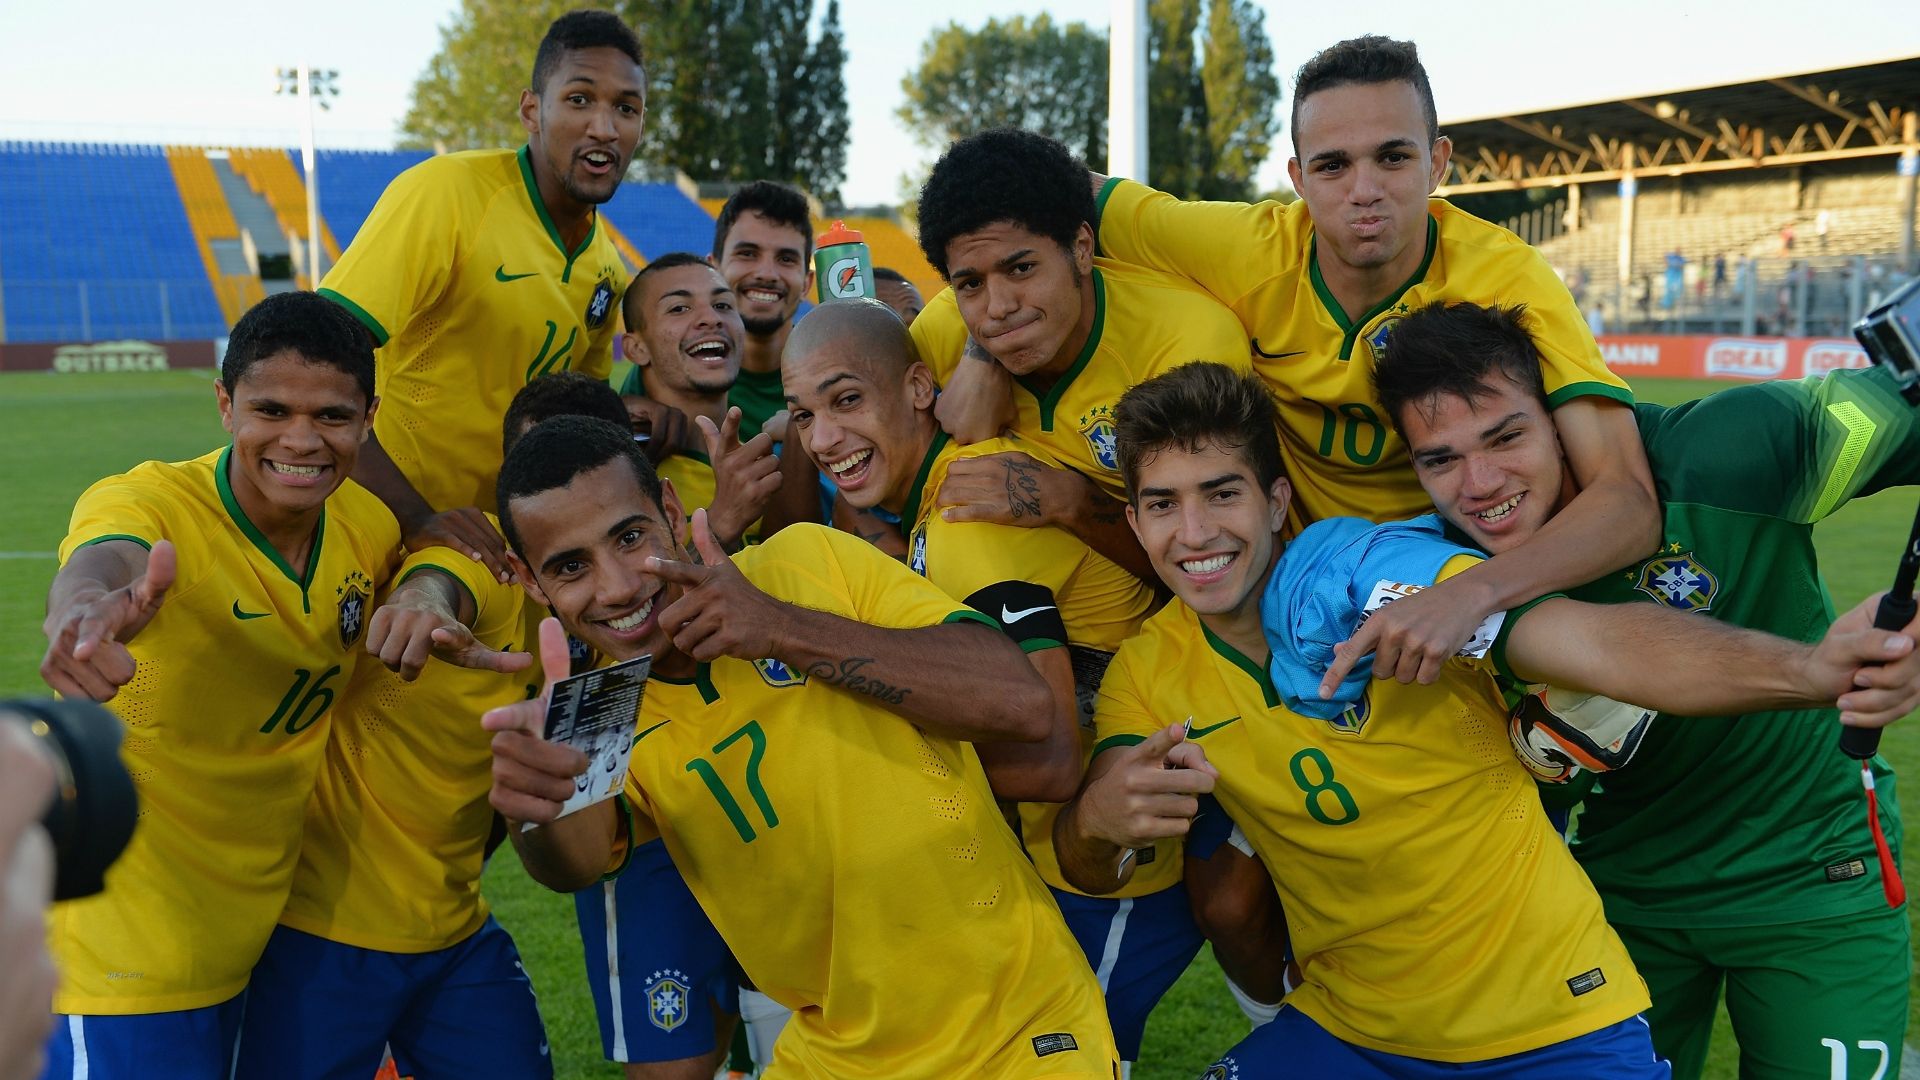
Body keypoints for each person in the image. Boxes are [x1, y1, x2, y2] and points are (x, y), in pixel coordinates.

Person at [1051, 362, 1916, 1077]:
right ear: (1134, 520)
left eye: (1221, 494)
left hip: (1556, 1024)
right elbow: (1089, 858)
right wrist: (1096, 821)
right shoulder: (1146, 673)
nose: (1195, 532)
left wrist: (1806, 670)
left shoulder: (1376, 573)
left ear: (1277, 501)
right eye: (1162, 504)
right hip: (1352, 1031)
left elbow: (1591, 642)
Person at [1373, 301, 1920, 1080]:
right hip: (1617, 894)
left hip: (1817, 875)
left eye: (1506, 437)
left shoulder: (1724, 452)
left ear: (1564, 418)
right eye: (1441, 460)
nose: (1482, 484)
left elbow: (1907, 409)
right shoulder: (1435, 568)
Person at [484, 416, 1120, 1076]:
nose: (617, 586)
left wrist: (779, 627)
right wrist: (534, 810)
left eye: (629, 536)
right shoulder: (597, 709)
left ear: (671, 510)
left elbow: (1021, 702)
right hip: (836, 1053)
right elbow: (576, 864)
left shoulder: (804, 560)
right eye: (570, 567)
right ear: (530, 581)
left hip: (1018, 1026)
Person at [1085, 35, 1662, 691]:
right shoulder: (1245, 249)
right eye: (1332, 166)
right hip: (1296, 581)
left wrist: (1468, 594)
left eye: (1392, 157)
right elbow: (1052, 194)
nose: (1364, 191)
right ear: (1298, 180)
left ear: (1437, 162)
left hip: (1460, 582)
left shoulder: (1505, 276)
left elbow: (1627, 502)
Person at [782, 300, 1193, 1070]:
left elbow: (1051, 759)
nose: (824, 439)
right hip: (1058, 857)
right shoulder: (944, 493)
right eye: (804, 416)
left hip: (1109, 869)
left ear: (917, 388)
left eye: (846, 401)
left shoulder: (971, 519)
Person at [36, 291, 409, 1078]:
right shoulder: (156, 502)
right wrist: (85, 608)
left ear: (369, 418)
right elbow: (106, 555)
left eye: (332, 416)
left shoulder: (368, 528)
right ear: (224, 404)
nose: (301, 440)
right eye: (271, 410)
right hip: (129, 947)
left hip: (272, 931)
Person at [232, 373, 634, 1080]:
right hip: (320, 934)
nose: (558, 496)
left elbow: (578, 862)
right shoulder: (488, 565)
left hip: (453, 933)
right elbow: (441, 580)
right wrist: (424, 603)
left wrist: (537, 807)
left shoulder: (618, 638)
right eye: (534, 471)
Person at [319, 10, 640, 583]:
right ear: (531, 111)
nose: (604, 127)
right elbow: (320, 356)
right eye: (579, 99)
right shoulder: (447, 194)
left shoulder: (608, 272)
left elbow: (575, 420)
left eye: (626, 108)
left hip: (502, 562)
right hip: (378, 530)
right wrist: (415, 516)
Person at [908, 128, 1252, 578]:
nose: (999, 307)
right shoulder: (941, 331)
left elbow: (1207, 553)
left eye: (1022, 268)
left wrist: (1069, 501)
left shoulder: (1186, 344)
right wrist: (979, 353)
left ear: (1082, 249)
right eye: (971, 283)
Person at [620, 182, 814, 440]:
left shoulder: (831, 371)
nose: (767, 274)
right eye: (747, 254)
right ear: (713, 269)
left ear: (807, 283)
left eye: (786, 259)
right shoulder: (665, 369)